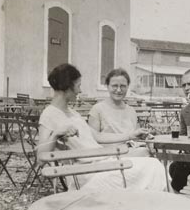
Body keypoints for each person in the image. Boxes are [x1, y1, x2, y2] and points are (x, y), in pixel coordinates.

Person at [37, 64, 166, 192]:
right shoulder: (49, 115)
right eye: (78, 86)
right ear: (67, 87)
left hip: (102, 163)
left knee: (153, 165)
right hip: (88, 173)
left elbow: (97, 136)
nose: (80, 91)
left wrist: (130, 135)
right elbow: (40, 158)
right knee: (153, 167)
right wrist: (55, 134)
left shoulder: (73, 113)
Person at [88, 68, 150, 157]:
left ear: (127, 87)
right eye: (114, 86)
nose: (119, 90)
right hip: (107, 155)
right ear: (107, 86)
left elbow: (134, 138)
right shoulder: (97, 109)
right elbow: (93, 139)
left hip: (130, 152)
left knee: (146, 153)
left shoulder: (131, 111)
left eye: (123, 86)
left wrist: (142, 135)